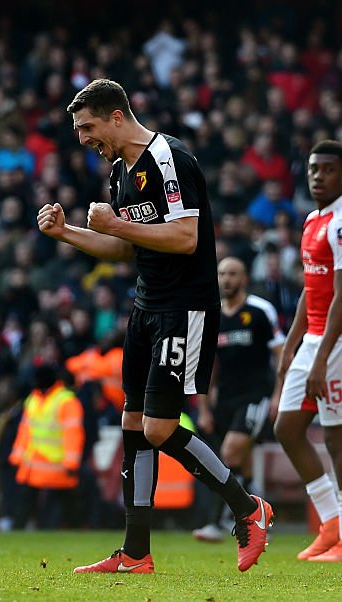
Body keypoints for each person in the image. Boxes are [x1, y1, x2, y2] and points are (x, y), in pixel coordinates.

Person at [36, 79, 271, 574]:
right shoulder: (121, 169)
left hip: (184, 308)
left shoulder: (171, 159)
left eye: (88, 127)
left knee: (161, 429)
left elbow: (186, 238)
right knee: (133, 427)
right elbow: (128, 248)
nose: (82, 139)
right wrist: (68, 234)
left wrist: (115, 224)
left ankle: (249, 509)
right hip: (146, 307)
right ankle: (136, 552)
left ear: (116, 116)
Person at [273, 140, 342, 563]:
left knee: (337, 436)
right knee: (286, 428)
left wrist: (318, 357)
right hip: (316, 337)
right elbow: (311, 290)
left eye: (328, 169)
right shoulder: (315, 219)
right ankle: (331, 525)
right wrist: (292, 343)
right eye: (314, 169)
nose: (318, 176)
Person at [193, 257, 285, 542]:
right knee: (240, 463)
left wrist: (278, 395)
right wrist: (205, 407)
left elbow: (280, 353)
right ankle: (257, 516)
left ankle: (216, 522)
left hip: (256, 395)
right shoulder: (213, 315)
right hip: (226, 399)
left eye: (233, 273)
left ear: (244, 278)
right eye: (222, 274)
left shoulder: (260, 311)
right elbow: (208, 366)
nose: (226, 279)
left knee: (230, 454)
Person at [8, 363, 84, 529]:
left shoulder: (66, 401)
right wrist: (17, 456)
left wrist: (71, 462)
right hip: (35, 463)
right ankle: (18, 532)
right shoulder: (33, 399)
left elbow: (73, 433)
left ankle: (72, 529)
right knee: (29, 503)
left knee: (61, 506)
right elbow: (25, 430)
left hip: (56, 464)